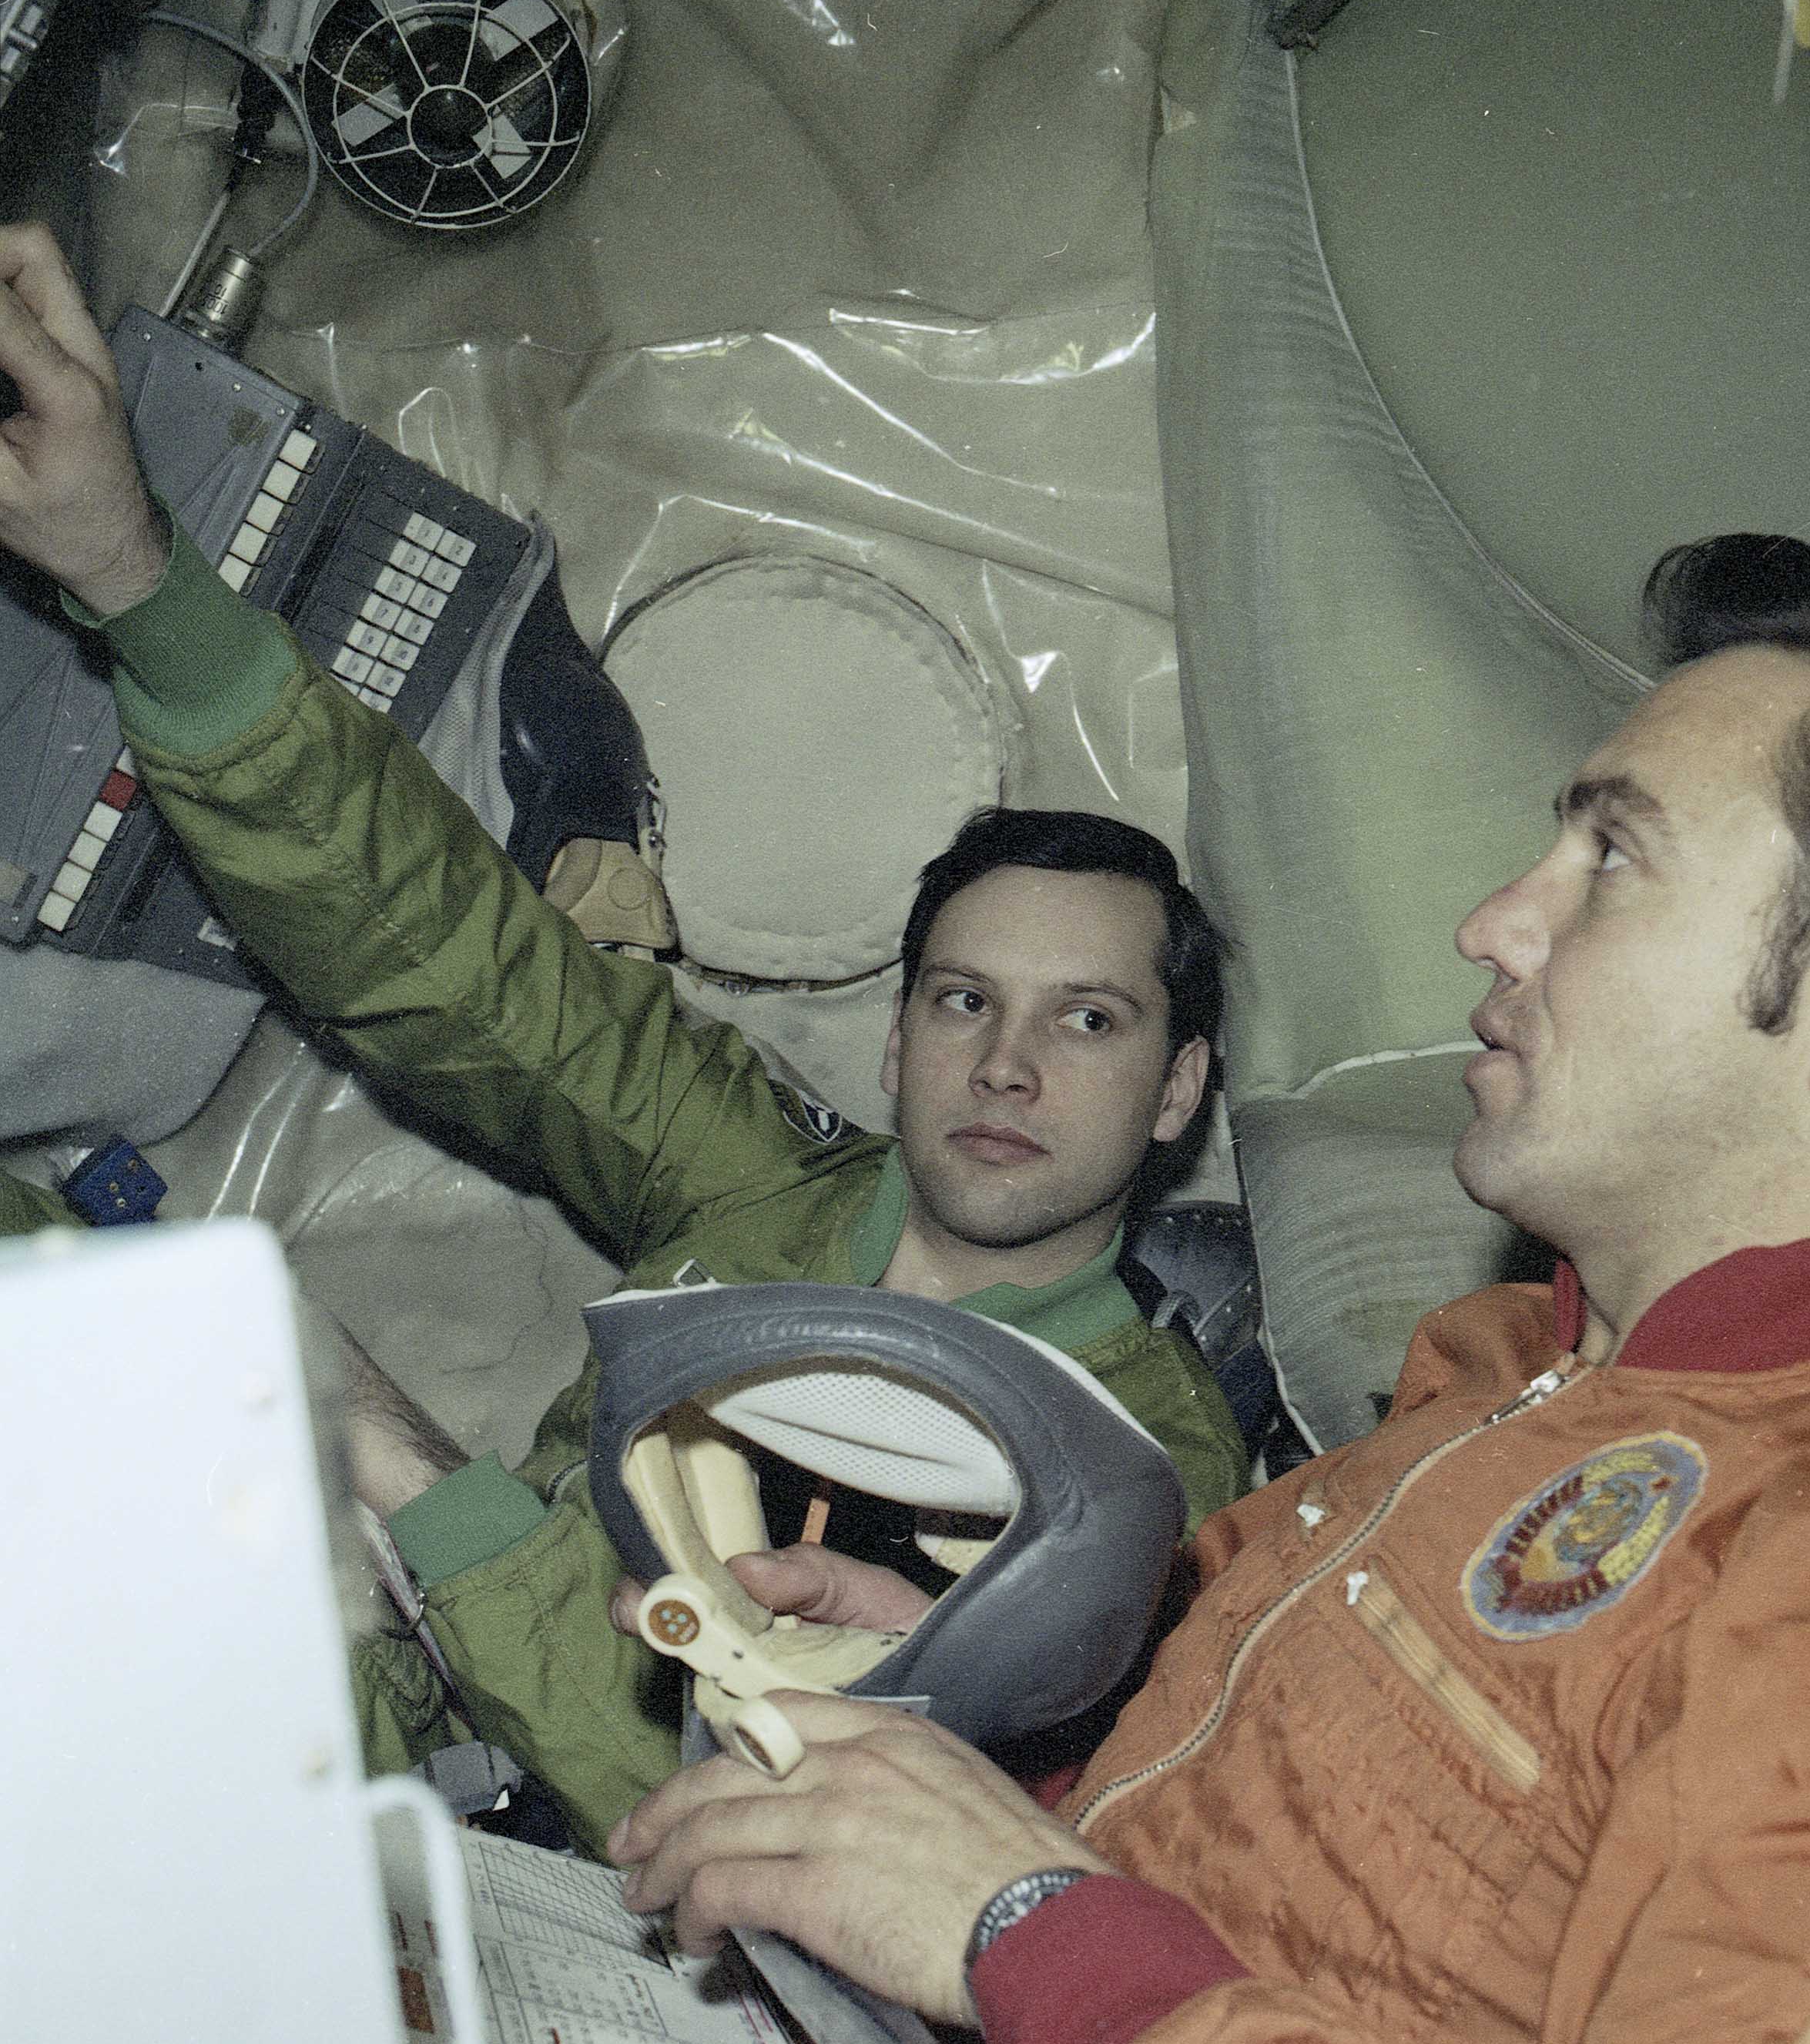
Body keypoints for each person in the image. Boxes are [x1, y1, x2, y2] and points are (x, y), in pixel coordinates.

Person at [585, 534, 1810, 2044]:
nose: (1497, 922)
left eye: (1611, 863)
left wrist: (1021, 1921)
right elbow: (1253, 1848)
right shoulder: (1508, 1383)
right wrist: (974, 1714)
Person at [0, 224, 1249, 1851]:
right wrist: (136, 579)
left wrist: (377, 1439)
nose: (1007, 1066)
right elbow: (457, 964)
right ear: (894, 1042)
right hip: (353, 1660)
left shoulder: (1146, 1481)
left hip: (546, 1875)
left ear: (1179, 1089)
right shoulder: (772, 1189)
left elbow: (783, 1828)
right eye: (964, 1000)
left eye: (1088, 1021)